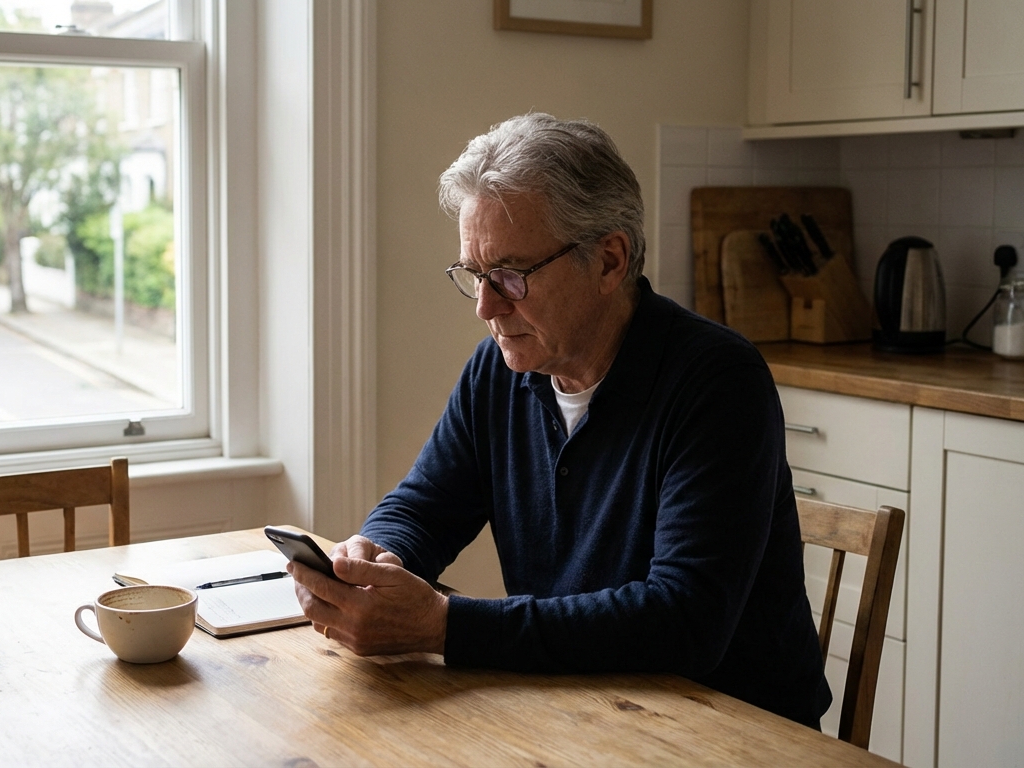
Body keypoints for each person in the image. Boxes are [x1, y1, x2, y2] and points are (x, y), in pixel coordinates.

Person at [286, 113, 832, 728]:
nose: (486, 307)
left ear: (609, 261)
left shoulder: (718, 380)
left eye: (511, 275)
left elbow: (685, 620)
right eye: (475, 275)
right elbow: (425, 506)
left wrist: (445, 626)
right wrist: (371, 563)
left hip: (734, 732)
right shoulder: (499, 370)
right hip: (581, 708)